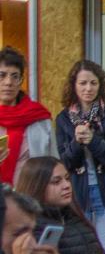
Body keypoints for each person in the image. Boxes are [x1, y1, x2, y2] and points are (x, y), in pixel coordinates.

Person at [55, 60, 105, 254]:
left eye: (93, 83)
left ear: (101, 85)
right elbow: (64, 163)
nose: (88, 88)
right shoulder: (63, 119)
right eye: (83, 83)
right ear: (74, 86)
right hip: (78, 194)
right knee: (83, 252)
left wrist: (93, 141)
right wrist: (76, 142)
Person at [15, 156, 105, 254]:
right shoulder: (33, 228)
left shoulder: (76, 217)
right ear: (37, 186)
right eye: (56, 182)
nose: (66, 185)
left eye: (67, 178)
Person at [0, 47, 56, 186]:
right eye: (2, 75)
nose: (8, 82)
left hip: (31, 200)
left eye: (15, 76)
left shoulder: (39, 117)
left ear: (21, 80)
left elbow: (54, 164)